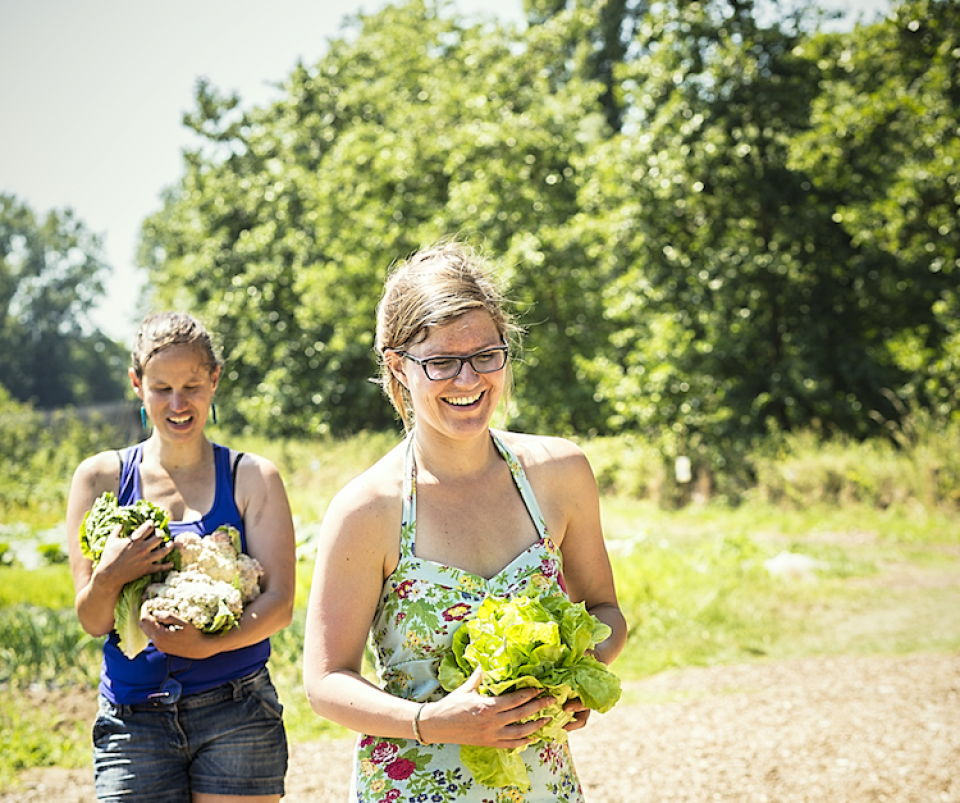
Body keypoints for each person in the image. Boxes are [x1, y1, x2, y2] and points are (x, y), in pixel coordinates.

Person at [302, 241, 627, 801]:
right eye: (441, 362)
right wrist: (435, 721)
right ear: (398, 367)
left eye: (485, 355)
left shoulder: (560, 473)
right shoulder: (368, 508)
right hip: (414, 787)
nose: (468, 380)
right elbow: (325, 682)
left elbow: (605, 612)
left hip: (542, 784)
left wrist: (576, 679)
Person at [65, 311, 296, 803]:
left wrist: (212, 643)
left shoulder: (252, 477)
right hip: (133, 719)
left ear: (214, 380)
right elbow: (91, 619)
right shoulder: (100, 478)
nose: (178, 403)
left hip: (238, 711)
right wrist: (110, 576)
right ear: (137, 384)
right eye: (161, 388)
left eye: (192, 385)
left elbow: (279, 602)